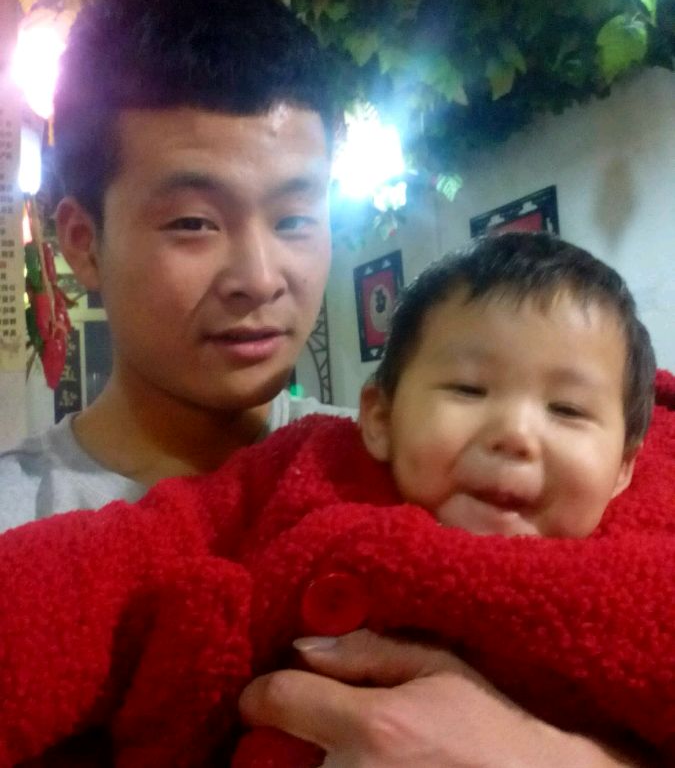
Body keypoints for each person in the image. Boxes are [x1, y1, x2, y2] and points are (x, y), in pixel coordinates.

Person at [0, 0, 654, 767]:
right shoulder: (20, 529)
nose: (259, 277)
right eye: (193, 222)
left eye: (295, 218)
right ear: (82, 243)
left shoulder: (424, 471)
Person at [0, 234, 672, 765]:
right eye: (469, 390)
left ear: (624, 465)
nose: (515, 435)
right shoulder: (311, 467)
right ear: (379, 418)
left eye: (567, 410)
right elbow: (125, 557)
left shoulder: (647, 563)